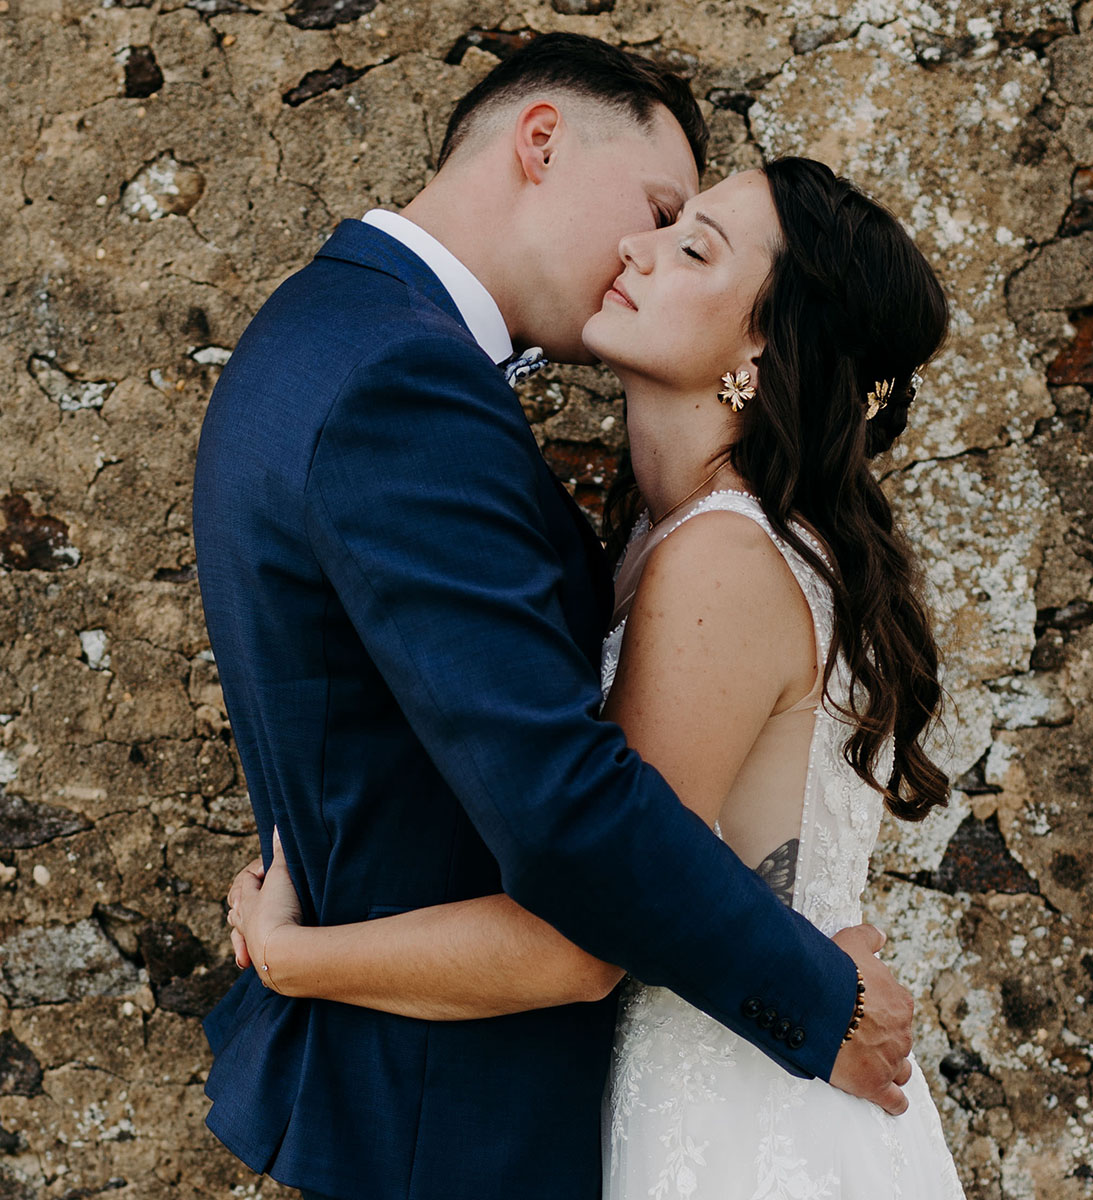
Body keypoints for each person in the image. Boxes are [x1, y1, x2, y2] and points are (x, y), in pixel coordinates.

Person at [193, 33, 916, 1200]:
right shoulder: (404, 383)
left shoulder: (332, 337)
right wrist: (817, 994)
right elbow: (566, 814)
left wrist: (297, 947)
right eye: (661, 207)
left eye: (690, 237)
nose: (643, 248)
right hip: (454, 1111)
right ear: (541, 141)